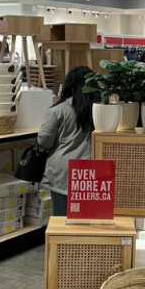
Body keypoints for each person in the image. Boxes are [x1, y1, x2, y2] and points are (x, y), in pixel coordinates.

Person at [36, 66, 98, 216]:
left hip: (63, 172)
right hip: (92, 171)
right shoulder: (101, 109)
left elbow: (44, 141)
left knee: (62, 219)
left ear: (69, 85)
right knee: (88, 218)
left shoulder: (58, 110)